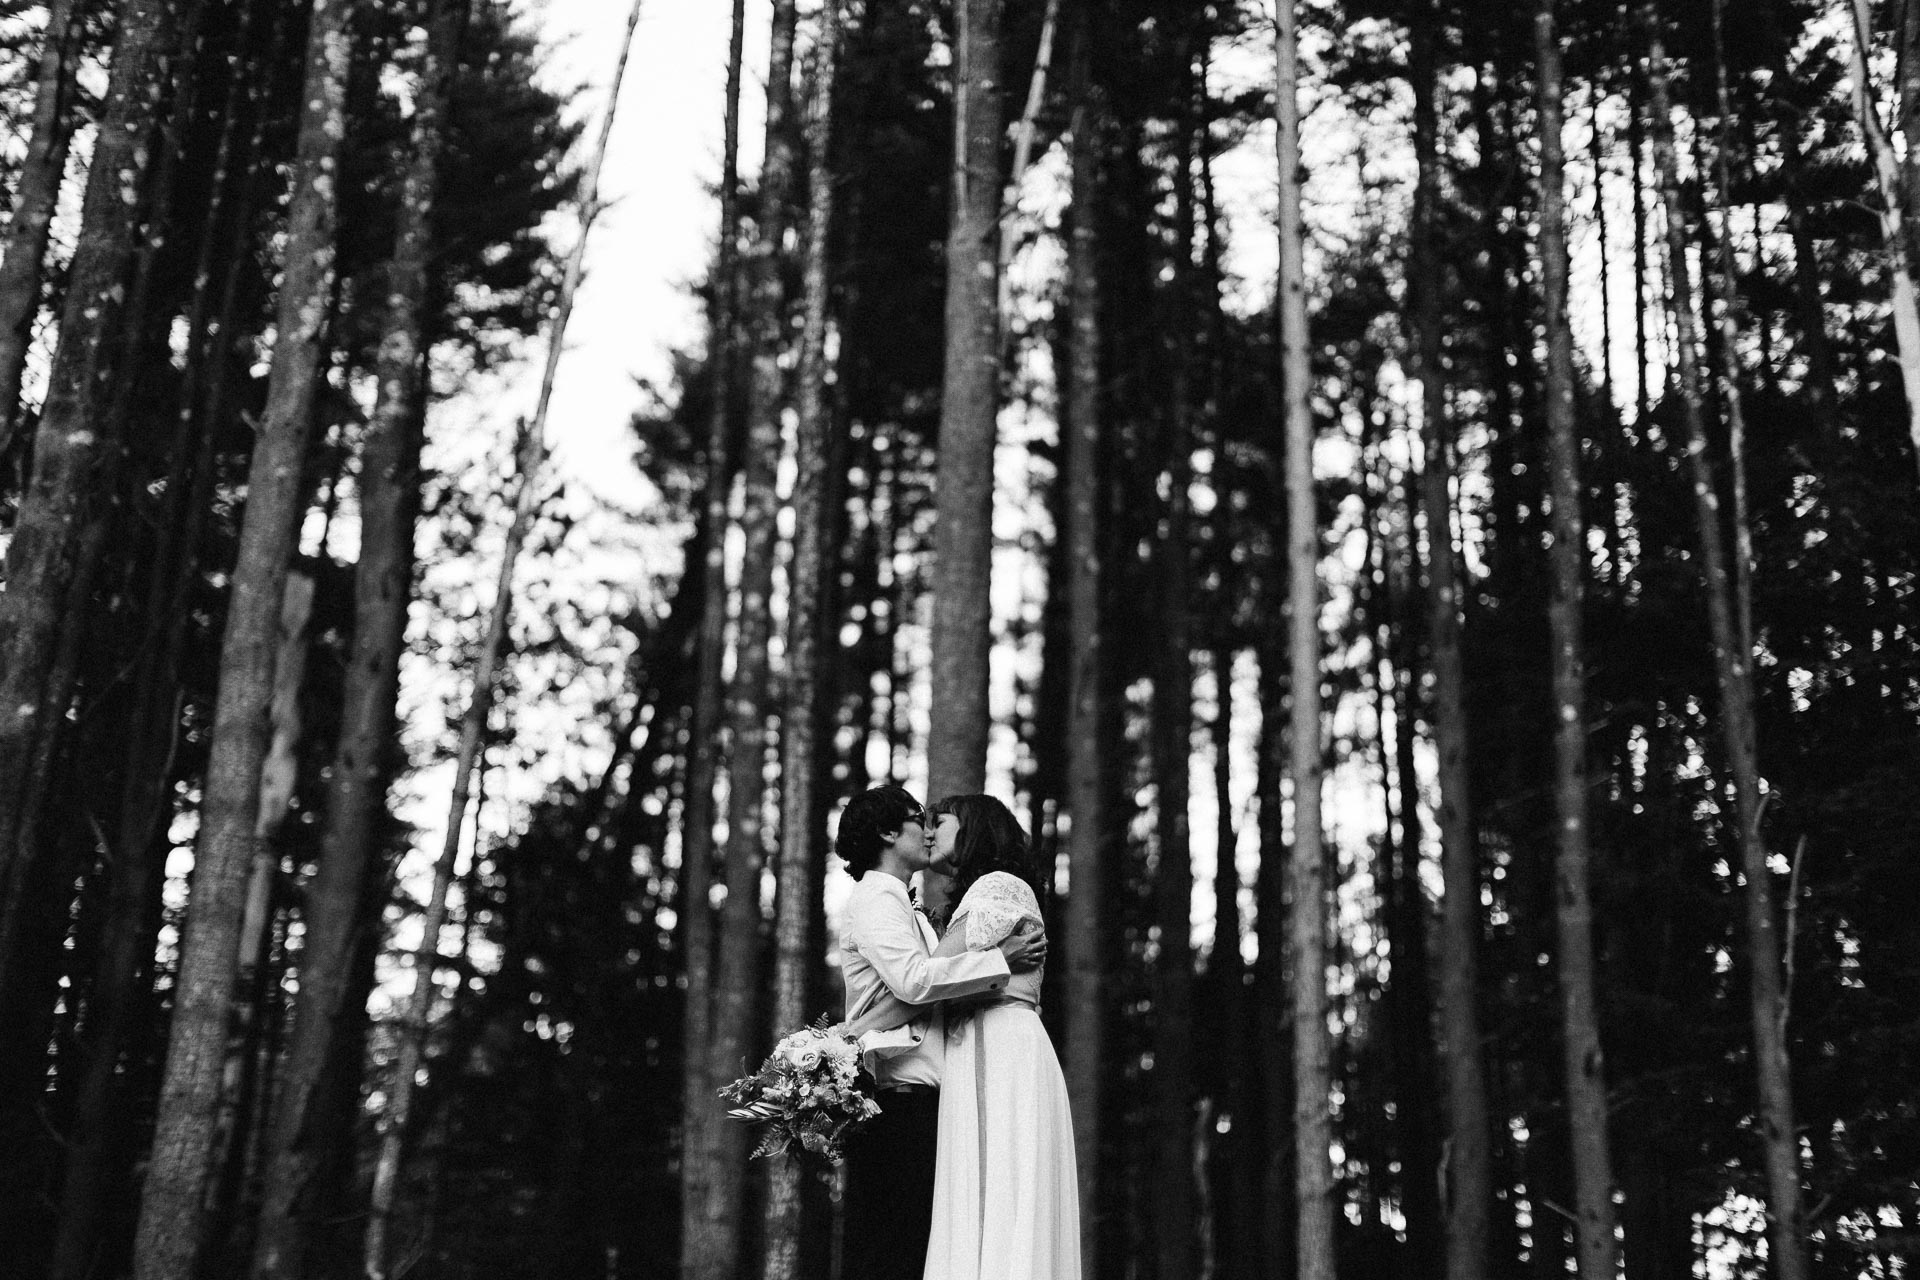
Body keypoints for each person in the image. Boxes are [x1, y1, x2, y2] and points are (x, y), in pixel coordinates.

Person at [835, 784, 1049, 1280]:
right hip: (897, 1094)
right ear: (890, 831)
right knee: (890, 1248)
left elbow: (926, 988)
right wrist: (1001, 960)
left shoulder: (905, 902)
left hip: (924, 1098)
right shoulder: (876, 896)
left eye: (937, 821)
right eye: (919, 818)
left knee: (914, 1245)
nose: (928, 830)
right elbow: (915, 983)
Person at [922, 793, 1081, 1280]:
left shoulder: (996, 886)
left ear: (972, 829)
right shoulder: (998, 888)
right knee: (999, 1191)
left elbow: (929, 976)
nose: (928, 834)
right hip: (999, 1038)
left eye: (940, 823)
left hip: (997, 1042)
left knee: (997, 1191)